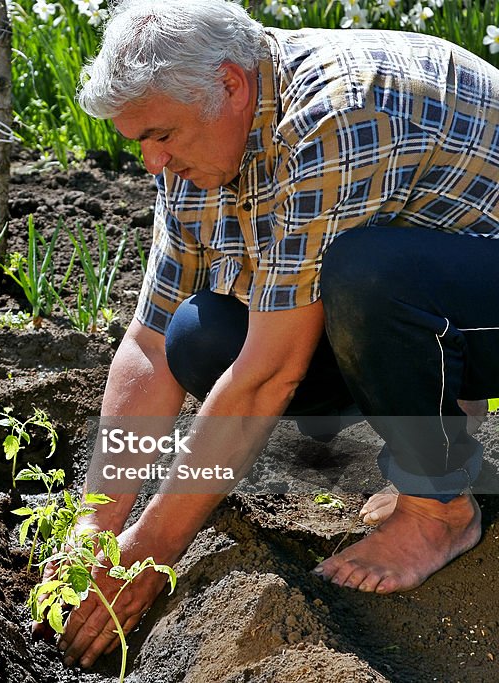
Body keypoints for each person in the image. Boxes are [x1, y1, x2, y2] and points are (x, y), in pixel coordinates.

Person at [40, 0, 499, 671]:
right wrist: (99, 525)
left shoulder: (330, 119)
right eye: (139, 141)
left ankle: (441, 511)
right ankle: (445, 437)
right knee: (200, 336)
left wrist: (152, 549)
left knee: (367, 279)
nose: (152, 162)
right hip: (460, 281)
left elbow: (269, 376)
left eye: (160, 135)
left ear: (230, 84)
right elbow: (148, 343)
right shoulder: (197, 138)